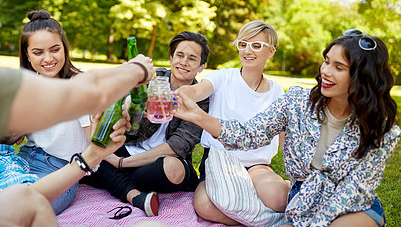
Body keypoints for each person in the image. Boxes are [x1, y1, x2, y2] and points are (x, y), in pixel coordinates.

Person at [0, 0, 154, 226]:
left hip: (51, 167)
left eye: (54, 49)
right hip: (30, 163)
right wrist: (138, 69)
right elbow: (86, 92)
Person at [174, 30, 400, 226]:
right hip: (301, 198)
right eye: (326, 61)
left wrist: (307, 223)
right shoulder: (296, 101)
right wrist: (200, 117)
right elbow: (250, 133)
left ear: (362, 77)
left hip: (350, 206)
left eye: (338, 67)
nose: (326, 71)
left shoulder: (383, 131)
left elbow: (353, 191)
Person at [82, 31, 210, 217]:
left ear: (201, 66)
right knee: (92, 147)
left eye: (192, 58)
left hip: (159, 163)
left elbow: (178, 146)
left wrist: (120, 163)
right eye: (180, 55)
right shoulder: (152, 78)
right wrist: (131, 105)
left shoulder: (202, 98)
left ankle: (108, 178)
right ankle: (134, 196)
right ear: (171, 57)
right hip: (131, 148)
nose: (184, 62)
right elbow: (125, 104)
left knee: (174, 170)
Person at [177, 21, 289, 225]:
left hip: (257, 165)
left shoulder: (276, 92)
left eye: (256, 46)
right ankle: (265, 222)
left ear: (271, 52)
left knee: (280, 197)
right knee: (204, 205)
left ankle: (251, 213)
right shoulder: (222, 77)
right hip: (220, 162)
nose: (248, 50)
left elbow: (285, 139)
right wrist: (184, 93)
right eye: (243, 44)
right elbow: (197, 90)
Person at [15, 9, 93, 214]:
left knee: (22, 212)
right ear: (27, 55)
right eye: (38, 52)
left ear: (65, 49)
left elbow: (94, 141)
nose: (48, 59)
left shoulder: (79, 84)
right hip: (22, 159)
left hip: (60, 171)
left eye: (54, 49)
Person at [0, 113, 126, 204]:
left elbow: (23, 202)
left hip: (59, 168)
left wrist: (93, 155)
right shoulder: (3, 162)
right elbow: (22, 203)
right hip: (31, 158)